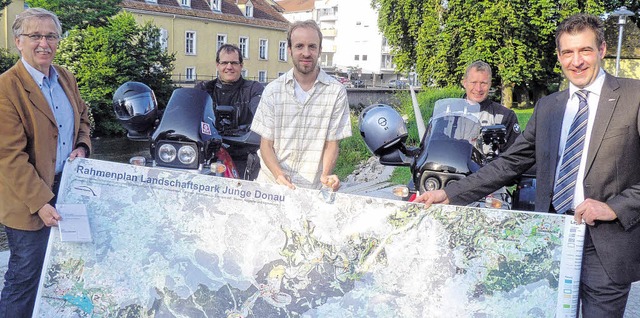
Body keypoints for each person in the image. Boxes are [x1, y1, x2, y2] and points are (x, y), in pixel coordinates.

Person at [414, 14, 640, 317]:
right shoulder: (549, 106)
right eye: (568, 52)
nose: (577, 61)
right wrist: (452, 193)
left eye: (585, 50)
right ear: (559, 56)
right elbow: (509, 163)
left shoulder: (633, 96)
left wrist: (615, 207)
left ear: (601, 49)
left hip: (606, 244)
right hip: (551, 236)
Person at [0, 8, 91, 317]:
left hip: (69, 188)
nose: (44, 43)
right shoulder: (6, 87)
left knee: (64, 272)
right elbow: (9, 156)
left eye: (51, 36)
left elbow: (84, 118)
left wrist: (81, 146)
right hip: (28, 201)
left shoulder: (66, 76)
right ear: (18, 42)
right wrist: (41, 202)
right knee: (24, 278)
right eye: (35, 35)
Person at [250, 20, 352, 191]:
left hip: (312, 188)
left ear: (320, 50)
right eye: (299, 46)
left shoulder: (336, 92)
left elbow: (331, 144)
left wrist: (326, 175)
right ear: (289, 50)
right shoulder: (273, 91)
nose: (306, 53)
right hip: (272, 185)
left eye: (312, 46)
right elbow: (266, 145)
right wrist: (279, 174)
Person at [195, 44, 264, 180]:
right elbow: (188, 113)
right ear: (217, 65)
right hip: (208, 154)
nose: (229, 67)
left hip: (243, 154)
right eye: (224, 63)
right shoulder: (203, 89)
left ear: (241, 65)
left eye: (234, 63)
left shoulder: (253, 89)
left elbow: (261, 113)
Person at [461, 60, 520, 155]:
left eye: (483, 83)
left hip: (489, 168)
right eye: (473, 82)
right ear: (464, 83)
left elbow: (514, 156)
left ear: (490, 84)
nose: (478, 89)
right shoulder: (449, 114)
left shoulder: (505, 116)